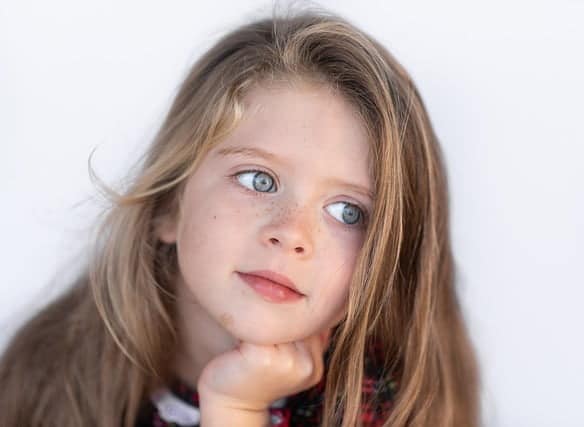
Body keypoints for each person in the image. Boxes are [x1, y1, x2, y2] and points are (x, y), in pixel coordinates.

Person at [0, 8, 479, 427]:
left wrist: (235, 409)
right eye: (259, 180)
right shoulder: (49, 374)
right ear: (169, 204)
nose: (291, 233)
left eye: (347, 211)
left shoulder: (382, 408)